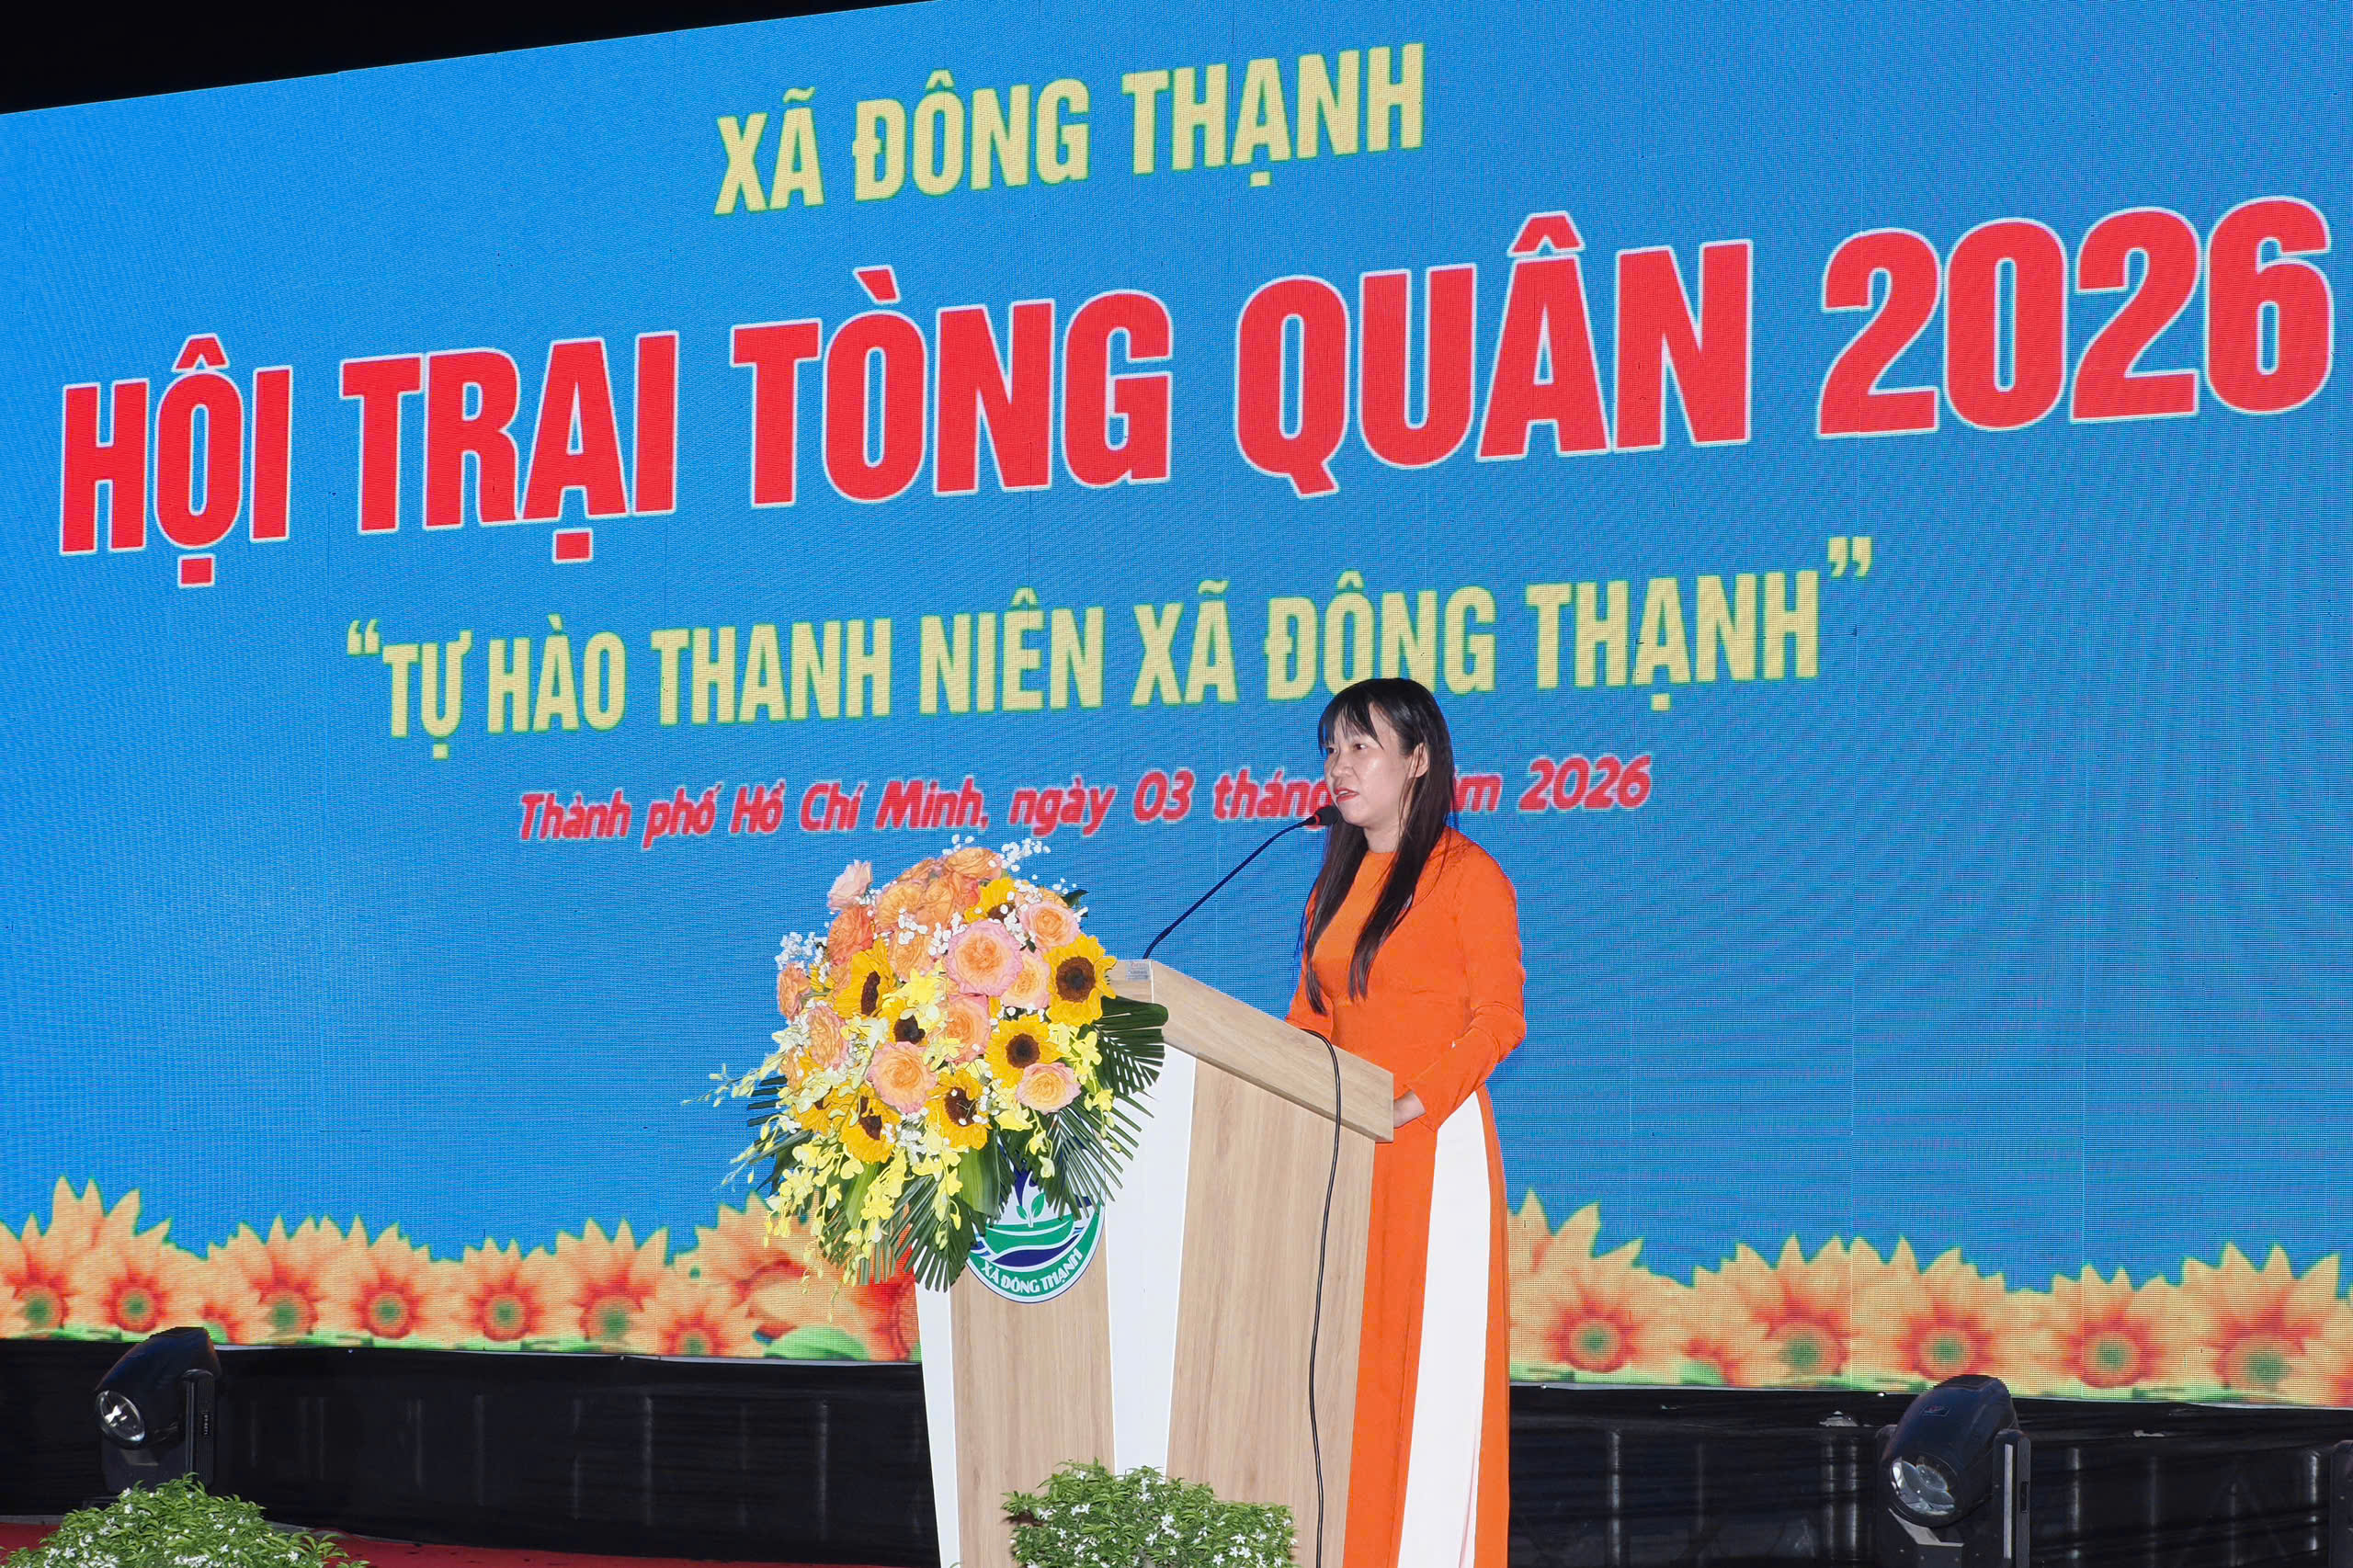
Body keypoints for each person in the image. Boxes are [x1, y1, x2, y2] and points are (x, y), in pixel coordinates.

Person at [1286, 677, 1525, 1568]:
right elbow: (1310, 1021)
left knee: (1423, 1373)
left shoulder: (1467, 876)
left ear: (1418, 760)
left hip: (1432, 1142)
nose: (1339, 766)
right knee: (1351, 1373)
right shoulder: (1335, 882)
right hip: (1346, 1152)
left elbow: (1499, 1021)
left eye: (1361, 745)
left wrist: (1405, 1105)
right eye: (1331, 749)